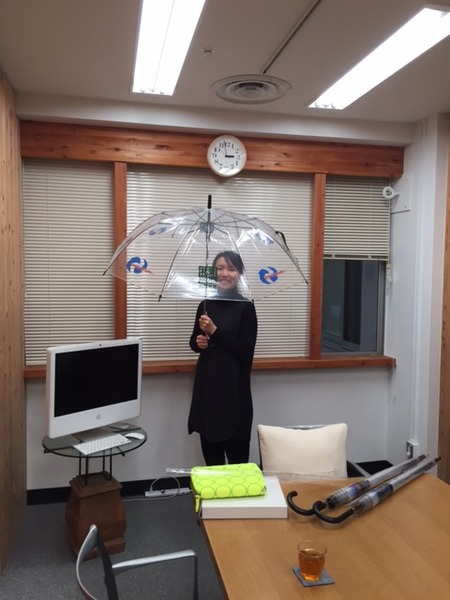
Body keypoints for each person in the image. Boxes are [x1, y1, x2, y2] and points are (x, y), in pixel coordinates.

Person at [188, 250, 258, 465]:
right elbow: (194, 342)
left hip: (235, 395)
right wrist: (199, 342)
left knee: (238, 465)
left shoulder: (246, 307)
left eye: (231, 268)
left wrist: (215, 331)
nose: (224, 273)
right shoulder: (205, 305)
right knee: (212, 465)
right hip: (207, 393)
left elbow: (245, 349)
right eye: (219, 268)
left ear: (239, 274)